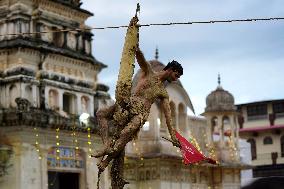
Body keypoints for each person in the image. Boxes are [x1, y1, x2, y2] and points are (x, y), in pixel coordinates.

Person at [93, 45, 183, 172]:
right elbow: (141, 59)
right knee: (101, 113)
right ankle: (106, 144)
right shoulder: (148, 72)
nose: (176, 79)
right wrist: (135, 46)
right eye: (176, 75)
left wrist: (173, 137)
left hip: (140, 115)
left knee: (124, 134)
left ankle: (107, 161)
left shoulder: (163, 93)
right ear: (170, 70)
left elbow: (168, 117)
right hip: (129, 104)